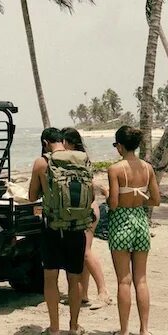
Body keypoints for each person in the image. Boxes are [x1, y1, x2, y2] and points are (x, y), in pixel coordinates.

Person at [28, 128, 88, 335]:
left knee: (51, 278)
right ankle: (73, 326)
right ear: (62, 141)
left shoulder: (42, 162)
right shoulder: (82, 159)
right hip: (77, 226)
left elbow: (32, 195)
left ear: (45, 142)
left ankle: (54, 328)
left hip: (52, 226)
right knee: (74, 278)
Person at [106, 125, 160, 335]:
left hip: (121, 222)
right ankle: (144, 330)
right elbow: (156, 200)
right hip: (140, 221)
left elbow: (114, 203)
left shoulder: (116, 169)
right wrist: (139, 195)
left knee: (123, 281)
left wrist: (109, 195)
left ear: (119, 146)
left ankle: (124, 331)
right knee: (142, 279)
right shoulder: (147, 168)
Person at [61, 127, 111, 309]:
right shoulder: (82, 159)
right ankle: (83, 294)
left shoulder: (74, 161)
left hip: (86, 210)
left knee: (85, 251)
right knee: (83, 253)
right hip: (89, 207)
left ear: (69, 143)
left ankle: (103, 291)